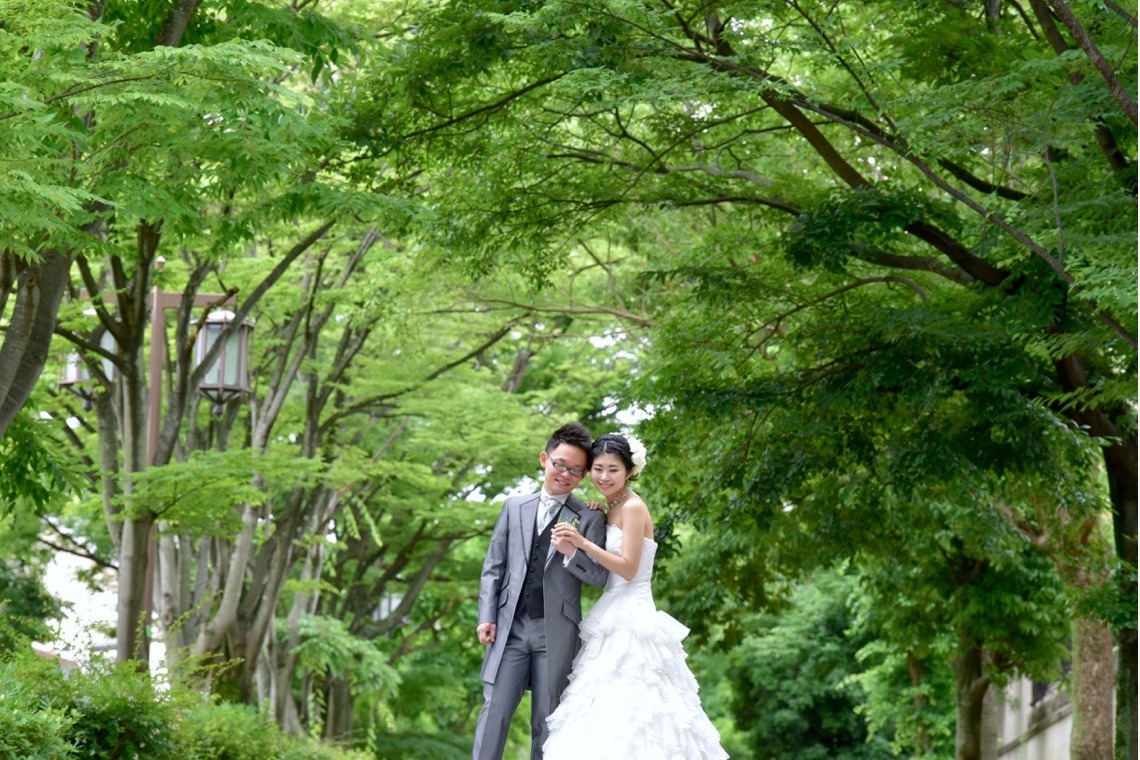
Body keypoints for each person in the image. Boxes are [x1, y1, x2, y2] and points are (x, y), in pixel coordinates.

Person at [543, 433, 729, 759]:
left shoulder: (632, 508)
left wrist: (583, 543)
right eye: (597, 469)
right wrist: (596, 516)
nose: (603, 477)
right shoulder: (613, 507)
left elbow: (629, 569)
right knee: (601, 708)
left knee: (638, 708)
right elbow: (606, 573)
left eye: (612, 469)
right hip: (610, 610)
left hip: (632, 615)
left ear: (629, 470)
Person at [473, 422, 610, 760]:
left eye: (576, 471)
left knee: (548, 720)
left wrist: (572, 553)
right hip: (510, 627)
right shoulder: (514, 506)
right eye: (560, 464)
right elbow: (494, 566)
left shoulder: (590, 517)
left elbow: (598, 576)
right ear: (544, 459)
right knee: (495, 713)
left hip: (556, 631)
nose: (565, 474)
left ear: (582, 476)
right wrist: (486, 615)